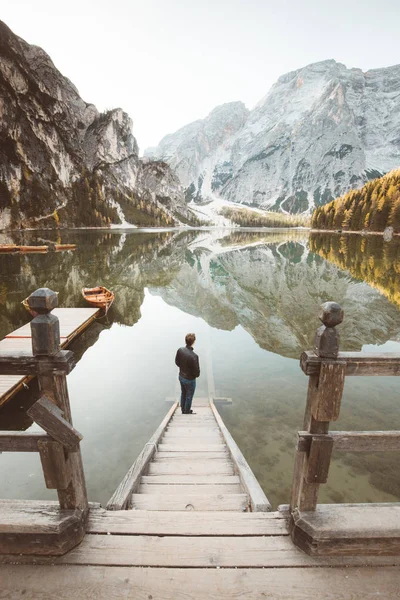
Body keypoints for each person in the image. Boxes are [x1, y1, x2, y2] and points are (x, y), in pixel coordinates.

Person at [175, 333, 200, 414]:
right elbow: (197, 373)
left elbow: (177, 362)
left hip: (181, 376)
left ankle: (183, 409)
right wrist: (192, 375)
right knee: (189, 396)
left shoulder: (180, 350)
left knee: (183, 393)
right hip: (190, 380)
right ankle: (186, 411)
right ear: (193, 342)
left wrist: (183, 368)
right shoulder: (194, 356)